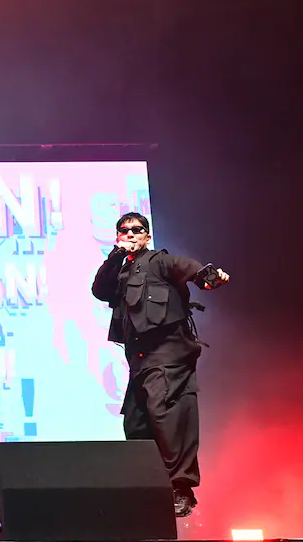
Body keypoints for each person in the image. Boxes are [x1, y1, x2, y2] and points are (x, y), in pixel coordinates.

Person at [90, 212, 230, 518]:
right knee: (136, 424)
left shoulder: (159, 261)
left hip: (168, 356)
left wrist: (210, 278)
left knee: (167, 417)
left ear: (147, 235)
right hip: (140, 361)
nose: (130, 234)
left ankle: (181, 489)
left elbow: (190, 269)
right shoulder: (120, 271)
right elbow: (99, 290)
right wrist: (116, 255)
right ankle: (152, 490)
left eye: (136, 230)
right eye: (124, 230)